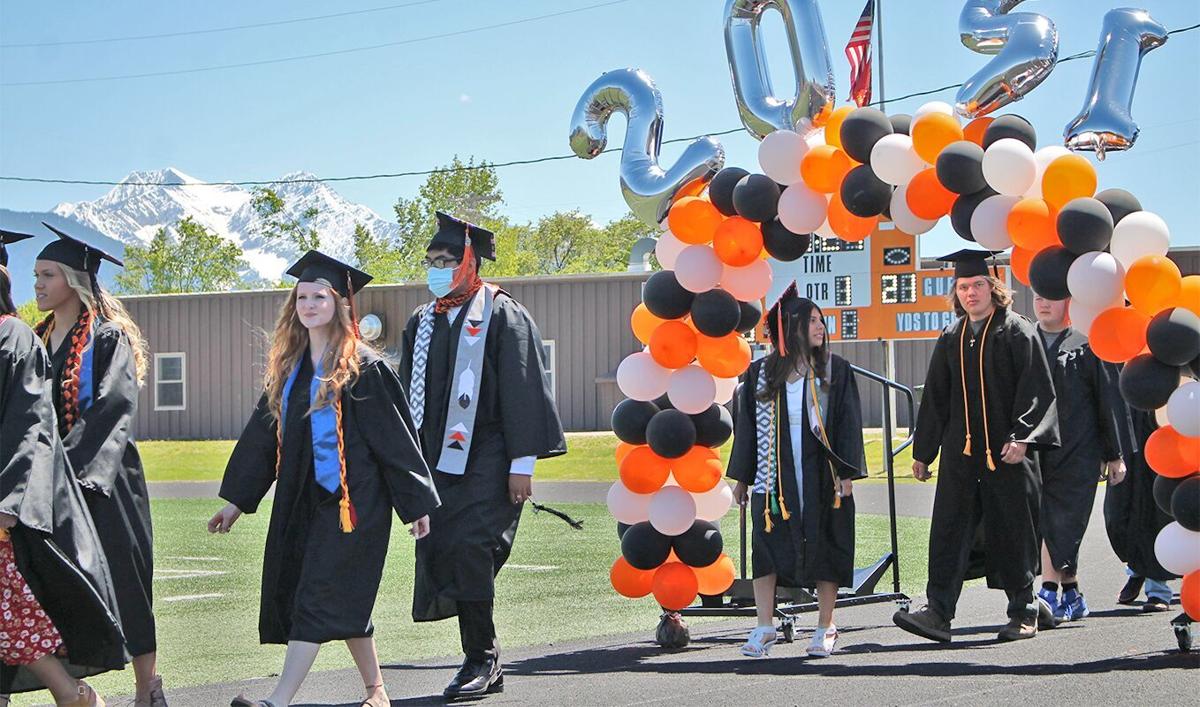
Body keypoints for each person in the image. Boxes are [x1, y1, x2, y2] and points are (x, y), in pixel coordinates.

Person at [210, 251, 438, 707]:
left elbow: (395, 441)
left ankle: (278, 700)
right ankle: (377, 690)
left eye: (320, 296)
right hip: (302, 501)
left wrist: (416, 505)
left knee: (315, 596)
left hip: (353, 505)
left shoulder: (363, 369)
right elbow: (262, 437)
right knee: (332, 595)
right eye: (302, 297)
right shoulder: (290, 370)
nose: (310, 304)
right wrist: (236, 501)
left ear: (340, 303)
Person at [401, 212, 566, 699]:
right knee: (447, 549)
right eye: (430, 261)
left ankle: (482, 657)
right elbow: (408, 396)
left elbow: (523, 388)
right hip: (436, 462)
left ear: (470, 262)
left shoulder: (501, 312)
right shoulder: (422, 321)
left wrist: (523, 465)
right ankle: (478, 653)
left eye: (446, 260)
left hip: (491, 459)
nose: (436, 269)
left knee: (472, 546)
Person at [894, 250, 1059, 643]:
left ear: (993, 287)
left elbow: (1037, 390)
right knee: (949, 528)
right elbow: (935, 397)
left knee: (1014, 530)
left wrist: (1022, 436)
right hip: (962, 457)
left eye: (978, 285)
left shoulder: (1017, 330)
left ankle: (1024, 610)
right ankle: (937, 613)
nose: (971, 293)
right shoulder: (952, 336)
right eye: (964, 287)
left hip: (1008, 453)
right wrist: (923, 451)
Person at [32, 224, 165, 705]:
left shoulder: (108, 338)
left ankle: (148, 687)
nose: (39, 284)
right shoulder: (35, 341)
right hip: (48, 482)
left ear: (73, 279)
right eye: (35, 275)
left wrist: (67, 469)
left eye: (48, 274)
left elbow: (112, 408)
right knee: (47, 583)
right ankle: (69, 688)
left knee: (127, 582)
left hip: (105, 481)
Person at [0, 233, 126, 706]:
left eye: (47, 275)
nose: (40, 284)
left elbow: (27, 423)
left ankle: (70, 691)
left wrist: (11, 500)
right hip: (24, 490)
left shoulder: (13, 336)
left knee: (11, 611)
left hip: (18, 496)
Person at [726, 284, 867, 658]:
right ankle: (764, 626)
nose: (821, 326)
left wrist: (847, 472)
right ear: (791, 327)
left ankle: (825, 625)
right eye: (812, 320)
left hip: (822, 475)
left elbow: (848, 424)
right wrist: (743, 477)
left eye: (822, 320)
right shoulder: (759, 373)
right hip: (774, 476)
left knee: (826, 540)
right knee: (767, 545)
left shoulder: (834, 371)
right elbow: (747, 430)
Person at [1031, 295, 1124, 625]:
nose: (1043, 304)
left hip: (1079, 450)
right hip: (1036, 450)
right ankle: (1072, 595)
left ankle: (1047, 593)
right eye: (1039, 297)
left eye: (1052, 299)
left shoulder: (1086, 344)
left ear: (1068, 303)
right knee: (1045, 521)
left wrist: (1114, 455)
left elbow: (1106, 401)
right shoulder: (1025, 340)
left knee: (1063, 520)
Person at [1102, 362, 1178, 613]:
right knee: (1117, 511)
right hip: (1124, 422)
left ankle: (1158, 587)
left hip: (1164, 425)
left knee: (1157, 510)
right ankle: (1136, 567)